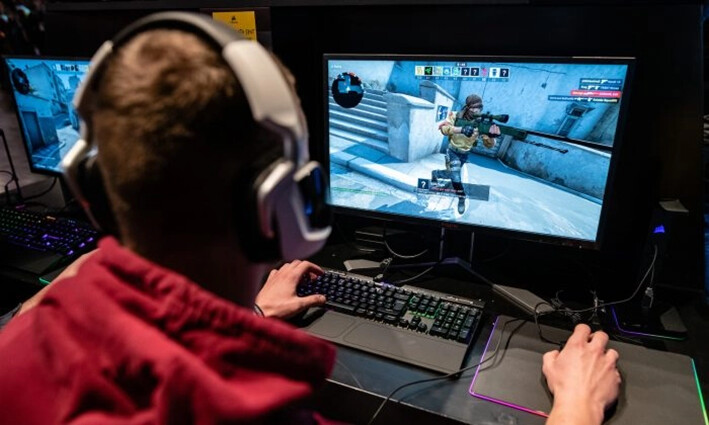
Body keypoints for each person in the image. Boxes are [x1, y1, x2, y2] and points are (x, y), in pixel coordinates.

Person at [0, 13, 620, 425]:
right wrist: (576, 407)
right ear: (286, 208)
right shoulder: (254, 407)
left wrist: (252, 315)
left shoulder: (17, 344)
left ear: (88, 186)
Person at [434, 94, 501, 214]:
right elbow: (443, 128)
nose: (477, 110)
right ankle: (461, 197)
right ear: (467, 107)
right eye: (474, 107)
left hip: (464, 155)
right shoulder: (455, 115)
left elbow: (489, 145)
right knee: (455, 177)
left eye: (479, 108)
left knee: (451, 174)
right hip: (452, 151)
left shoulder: (480, 123)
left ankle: (436, 173)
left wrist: (492, 137)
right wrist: (461, 129)